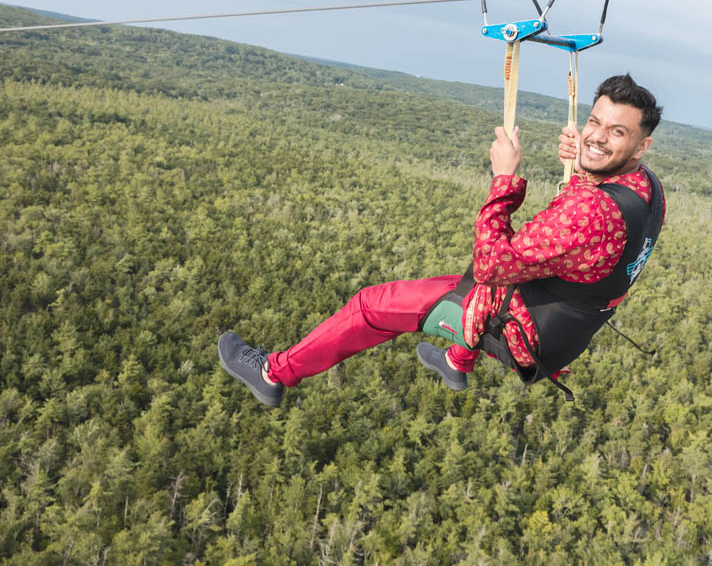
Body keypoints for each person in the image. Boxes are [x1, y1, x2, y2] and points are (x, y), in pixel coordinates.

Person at [218, 73, 665, 407]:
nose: (597, 136)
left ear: (640, 146)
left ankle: (274, 374)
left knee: (376, 304)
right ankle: (456, 362)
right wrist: (587, 164)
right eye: (595, 123)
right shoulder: (648, 190)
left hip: (521, 330)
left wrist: (504, 178)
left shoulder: (592, 212)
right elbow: (581, 239)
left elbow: (493, 263)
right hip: (562, 328)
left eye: (616, 132)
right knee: (465, 282)